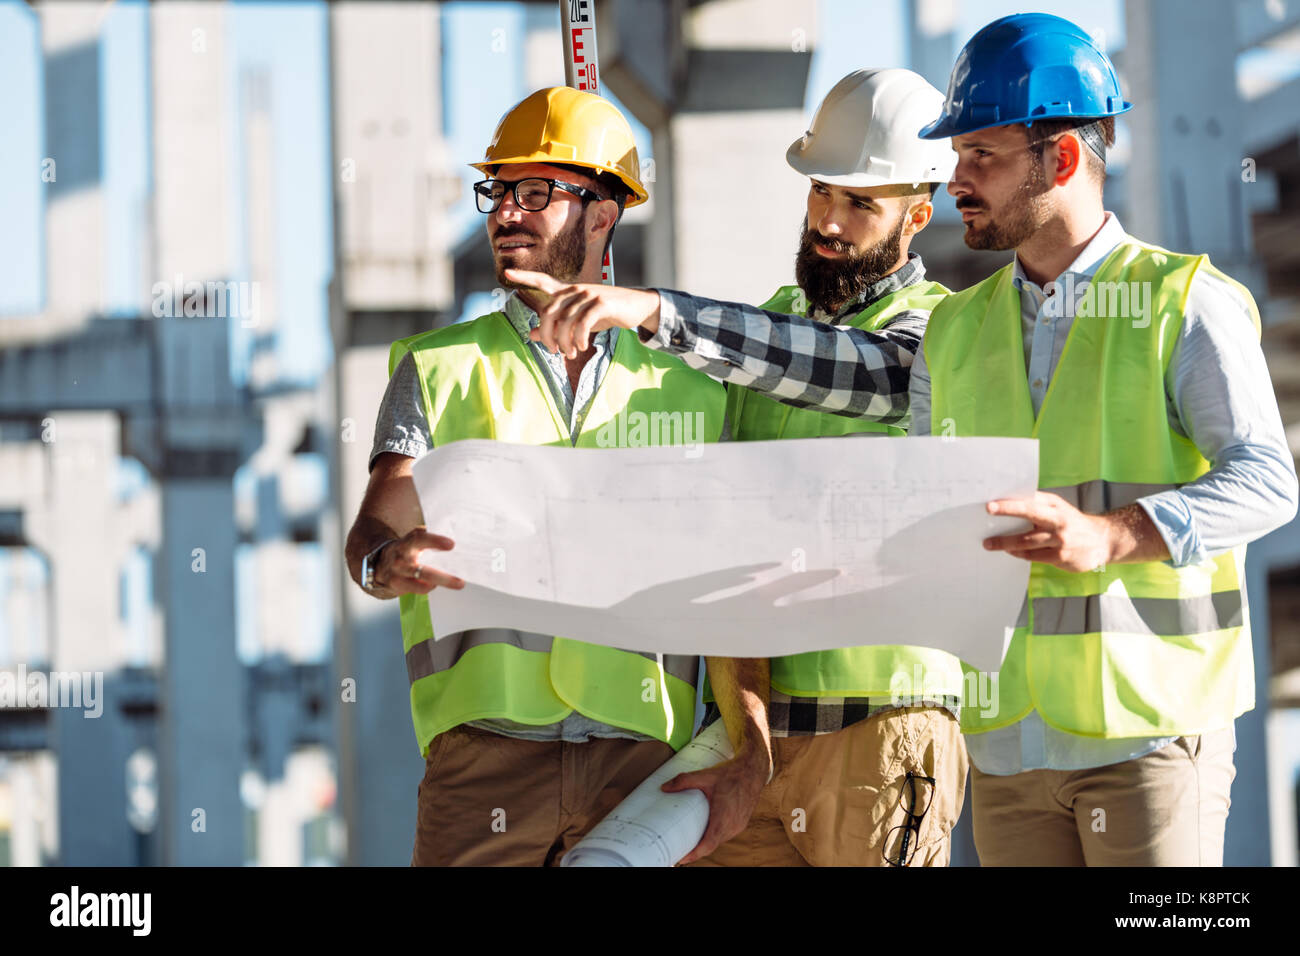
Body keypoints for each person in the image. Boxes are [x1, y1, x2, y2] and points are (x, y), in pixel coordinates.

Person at [509, 69, 970, 867]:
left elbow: (853, 373)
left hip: (882, 731)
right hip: (753, 741)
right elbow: (728, 550)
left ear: (917, 216)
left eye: (861, 204)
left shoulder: (941, 332)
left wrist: (655, 311)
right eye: (822, 192)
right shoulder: (768, 330)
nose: (828, 220)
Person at [344, 86, 769, 866]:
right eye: (497, 192)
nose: (505, 212)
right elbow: (370, 537)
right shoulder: (437, 367)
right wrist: (384, 562)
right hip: (484, 763)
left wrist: (751, 752)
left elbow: (727, 589)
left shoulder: (691, 382)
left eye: (534, 193)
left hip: (642, 760)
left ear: (601, 215)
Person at [909, 11, 1297, 866]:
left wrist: (1112, 535)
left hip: (1153, 738)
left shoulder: (1181, 300)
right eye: (955, 156)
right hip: (1007, 745)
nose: (955, 181)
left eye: (982, 155)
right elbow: (922, 505)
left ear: (1065, 158)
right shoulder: (953, 330)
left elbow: (1270, 479)